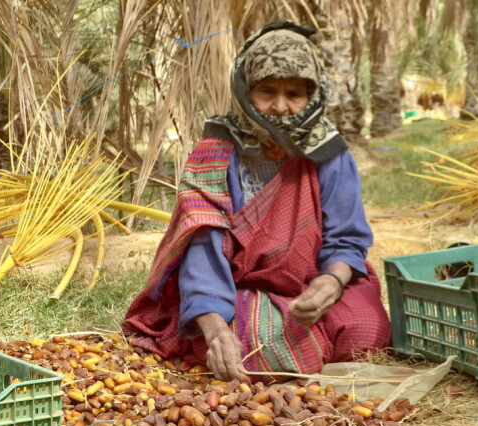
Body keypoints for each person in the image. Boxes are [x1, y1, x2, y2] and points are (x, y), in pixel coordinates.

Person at [122, 20, 391, 381]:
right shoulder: (215, 152)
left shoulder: (328, 152)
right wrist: (216, 328)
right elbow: (202, 249)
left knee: (366, 331)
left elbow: (347, 239)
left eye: (295, 93)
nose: (281, 106)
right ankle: (280, 346)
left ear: (314, 95)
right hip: (237, 291)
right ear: (245, 90)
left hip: (311, 286)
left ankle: (313, 339)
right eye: (267, 91)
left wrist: (331, 283)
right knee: (243, 346)